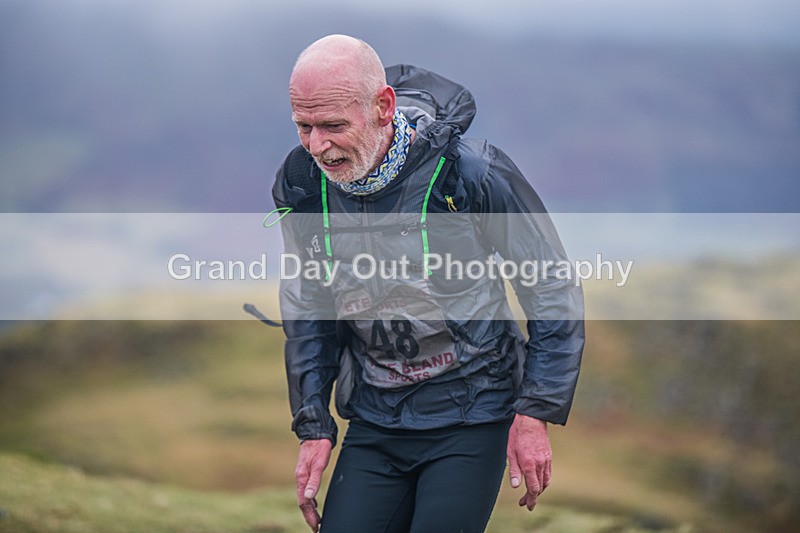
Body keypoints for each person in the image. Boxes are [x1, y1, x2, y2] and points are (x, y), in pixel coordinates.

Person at [272, 34, 584, 533]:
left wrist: (534, 412)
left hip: (474, 410)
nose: (316, 146)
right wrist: (313, 425)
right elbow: (311, 309)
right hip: (376, 420)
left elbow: (550, 287)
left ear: (383, 107)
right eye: (303, 127)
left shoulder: (469, 174)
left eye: (332, 126)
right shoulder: (305, 188)